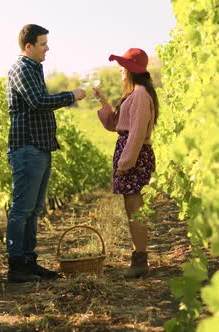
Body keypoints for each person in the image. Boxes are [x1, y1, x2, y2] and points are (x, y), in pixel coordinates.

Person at [6, 24, 86, 283]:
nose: (47, 48)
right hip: (28, 147)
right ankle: (17, 266)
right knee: (22, 209)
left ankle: (29, 262)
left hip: (39, 147)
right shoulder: (21, 68)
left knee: (34, 209)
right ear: (28, 46)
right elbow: (38, 102)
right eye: (43, 44)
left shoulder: (32, 69)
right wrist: (70, 96)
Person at [93, 48, 159, 278]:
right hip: (131, 153)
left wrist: (125, 163)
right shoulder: (134, 94)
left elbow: (137, 134)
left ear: (131, 70)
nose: (120, 70)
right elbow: (116, 125)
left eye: (123, 66)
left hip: (135, 154)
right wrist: (102, 101)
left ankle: (140, 261)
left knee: (134, 208)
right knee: (131, 207)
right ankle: (138, 258)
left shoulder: (140, 95)